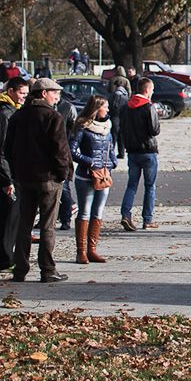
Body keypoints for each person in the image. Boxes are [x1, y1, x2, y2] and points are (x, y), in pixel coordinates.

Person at [6, 78, 71, 283]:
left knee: (24, 225)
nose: (57, 97)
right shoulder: (53, 116)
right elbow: (60, 150)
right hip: (48, 178)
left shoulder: (18, 116)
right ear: (43, 93)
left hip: (24, 178)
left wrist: (16, 171)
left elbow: (8, 149)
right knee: (47, 226)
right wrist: (63, 174)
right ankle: (47, 269)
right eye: (54, 93)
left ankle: (20, 270)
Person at [0, 77, 29, 269]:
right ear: (11, 91)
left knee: (12, 216)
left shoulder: (12, 112)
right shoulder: (3, 115)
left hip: (14, 172)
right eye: (21, 94)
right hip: (8, 174)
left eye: (26, 94)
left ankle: (6, 256)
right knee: (9, 217)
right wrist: (6, 179)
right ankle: (4, 257)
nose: (23, 98)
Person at [70, 95, 116, 264]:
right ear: (97, 108)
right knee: (85, 212)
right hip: (86, 175)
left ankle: (92, 249)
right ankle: (81, 251)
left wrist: (112, 162)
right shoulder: (82, 126)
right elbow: (73, 151)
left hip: (104, 175)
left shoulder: (107, 126)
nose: (108, 109)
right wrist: (90, 162)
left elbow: (111, 147)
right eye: (106, 106)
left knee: (98, 213)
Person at [119, 77, 160, 231]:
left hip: (132, 151)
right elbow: (154, 130)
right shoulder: (148, 107)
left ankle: (125, 214)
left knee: (132, 185)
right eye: (152, 89)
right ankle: (147, 219)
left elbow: (122, 127)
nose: (153, 92)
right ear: (147, 90)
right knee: (150, 186)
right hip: (148, 151)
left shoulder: (126, 106)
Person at [55, 92, 78, 232]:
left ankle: (66, 218)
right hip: (48, 150)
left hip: (63, 150)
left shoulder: (67, 107)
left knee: (63, 187)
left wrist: (68, 146)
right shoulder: (44, 107)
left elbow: (73, 129)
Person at [108, 74, 131, 160]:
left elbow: (110, 107)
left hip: (114, 116)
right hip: (123, 118)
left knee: (113, 136)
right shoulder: (125, 97)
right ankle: (121, 153)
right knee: (121, 136)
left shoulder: (112, 96)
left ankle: (111, 152)